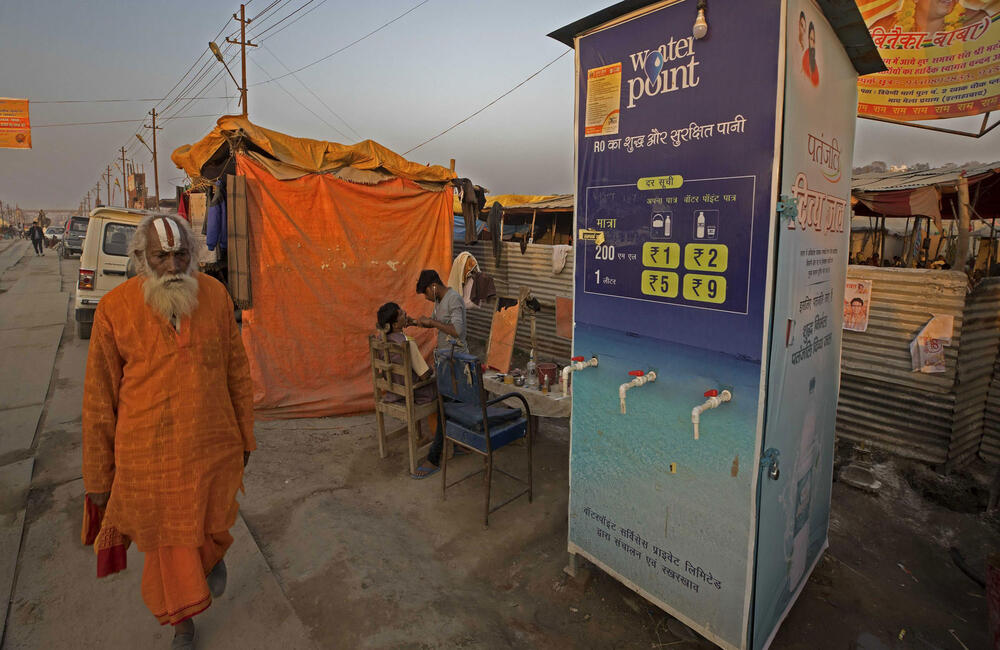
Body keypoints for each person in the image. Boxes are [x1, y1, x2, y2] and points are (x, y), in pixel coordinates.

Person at [82, 214, 255, 649]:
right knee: (167, 547)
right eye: (163, 257)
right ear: (142, 258)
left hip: (211, 445)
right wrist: (99, 478)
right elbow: (99, 398)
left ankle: (210, 559)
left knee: (211, 524)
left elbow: (238, 372)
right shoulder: (114, 309)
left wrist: (244, 435)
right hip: (148, 457)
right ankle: (184, 626)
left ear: (193, 256)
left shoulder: (215, 296)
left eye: (182, 255)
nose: (174, 266)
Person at [411, 269, 467, 478]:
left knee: (447, 407)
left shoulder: (454, 299)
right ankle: (459, 444)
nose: (426, 298)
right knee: (453, 406)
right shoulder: (439, 301)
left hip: (458, 361)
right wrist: (413, 321)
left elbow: (457, 331)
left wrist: (432, 323)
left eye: (425, 293)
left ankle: (434, 457)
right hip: (445, 360)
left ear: (433, 286)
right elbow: (435, 322)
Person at [802, 22, 819, 86]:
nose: (813, 43)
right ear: (808, 39)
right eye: (811, 39)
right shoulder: (805, 57)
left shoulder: (814, 60)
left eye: (814, 40)